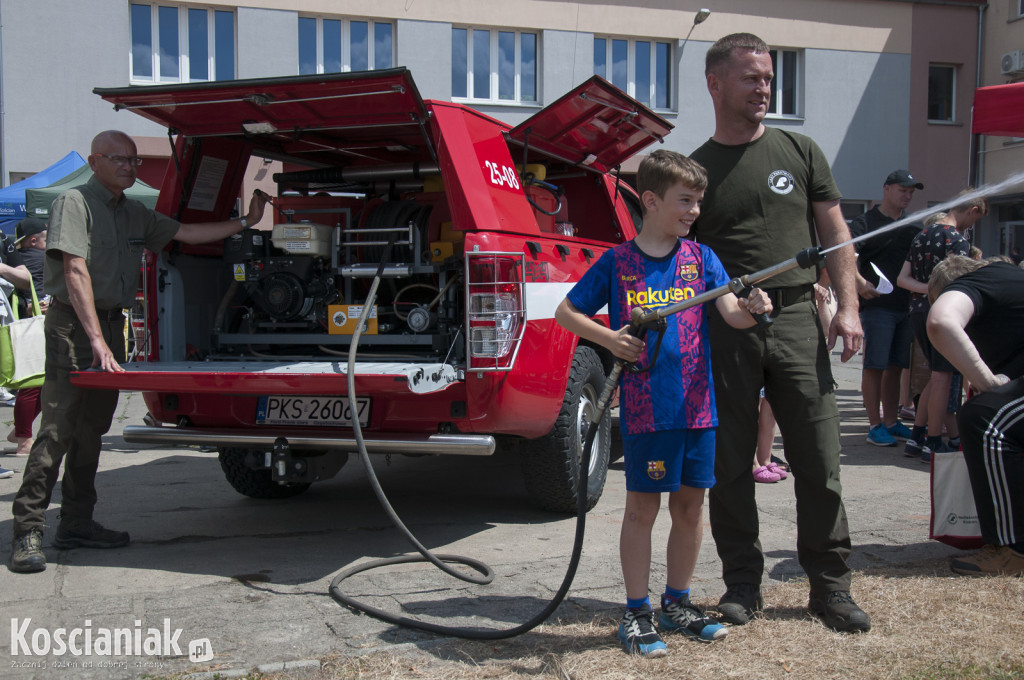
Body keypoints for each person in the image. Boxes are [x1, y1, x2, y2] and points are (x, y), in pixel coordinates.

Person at [8, 130, 269, 574]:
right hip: (75, 326)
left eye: (133, 160)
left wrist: (247, 221)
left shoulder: (133, 213)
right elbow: (74, 270)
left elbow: (186, 232)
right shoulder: (74, 204)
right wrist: (94, 340)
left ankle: (76, 523)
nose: (130, 167)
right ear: (95, 161)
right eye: (119, 160)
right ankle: (28, 531)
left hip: (110, 325)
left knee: (93, 430)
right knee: (56, 431)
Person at [554, 149, 772, 656]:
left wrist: (755, 308)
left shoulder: (702, 259)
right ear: (650, 201)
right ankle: (636, 611)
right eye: (685, 200)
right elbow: (567, 313)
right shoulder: (619, 262)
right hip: (649, 409)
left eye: (699, 201)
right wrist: (610, 340)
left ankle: (678, 603)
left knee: (692, 508)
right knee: (642, 510)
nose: (695, 210)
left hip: (700, 408)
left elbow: (732, 315)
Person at [689, 33, 870, 633]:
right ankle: (742, 583)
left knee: (819, 458)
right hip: (727, 328)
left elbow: (836, 234)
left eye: (768, 77)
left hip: (796, 316)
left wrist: (848, 307)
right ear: (716, 84)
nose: (764, 87)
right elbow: (684, 262)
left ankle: (831, 585)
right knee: (731, 463)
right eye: (751, 77)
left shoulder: (801, 149)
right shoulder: (698, 170)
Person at [926, 255, 1024, 576]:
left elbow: (941, 322)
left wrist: (987, 382)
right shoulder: (1008, 281)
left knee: (985, 420)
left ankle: (1013, 549)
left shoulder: (973, 283)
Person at [896, 193, 987, 462]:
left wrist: (926, 291)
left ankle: (916, 438)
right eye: (974, 220)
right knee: (942, 379)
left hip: (917, 313)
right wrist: (938, 294)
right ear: (971, 210)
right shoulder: (958, 241)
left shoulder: (922, 235)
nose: (970, 227)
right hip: (942, 315)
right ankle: (933, 443)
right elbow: (962, 286)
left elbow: (902, 279)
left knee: (934, 379)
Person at [849, 170, 922, 447]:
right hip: (878, 306)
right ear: (887, 189)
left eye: (912, 192)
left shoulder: (914, 224)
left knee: (896, 366)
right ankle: (874, 425)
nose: (908, 195)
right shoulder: (866, 222)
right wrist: (858, 282)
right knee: (875, 365)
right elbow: (848, 254)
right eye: (903, 190)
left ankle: (891, 421)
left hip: (906, 306)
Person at [5, 218, 49, 457]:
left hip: (21, 327)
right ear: (34, 240)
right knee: (33, 384)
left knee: (39, 383)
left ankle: (19, 432)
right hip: (32, 329)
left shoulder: (23, 259)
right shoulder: (38, 259)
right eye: (46, 237)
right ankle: (23, 439)